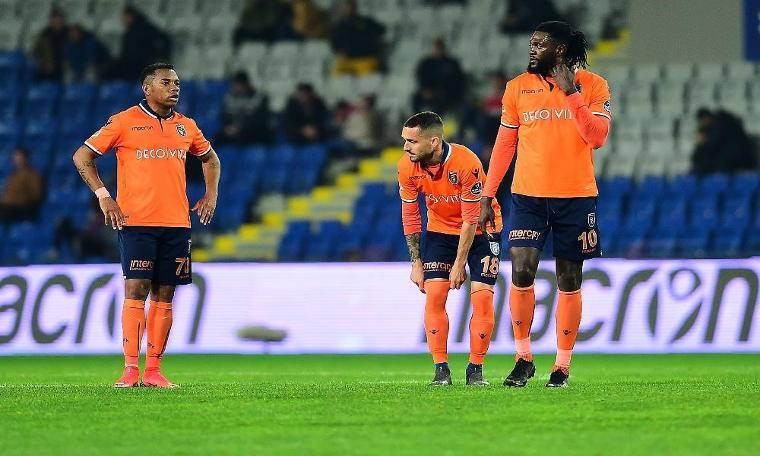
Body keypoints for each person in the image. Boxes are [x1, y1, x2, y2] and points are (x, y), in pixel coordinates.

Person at [479, 21, 611, 388]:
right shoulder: (517, 87)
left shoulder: (594, 85)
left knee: (569, 279)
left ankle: (561, 367)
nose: (532, 49)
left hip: (576, 196)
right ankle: (523, 358)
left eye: (540, 44)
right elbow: (505, 144)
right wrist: (488, 194)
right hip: (528, 196)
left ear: (561, 50)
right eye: (532, 43)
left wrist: (571, 94)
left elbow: (597, 138)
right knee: (522, 270)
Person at [72, 63, 221, 388]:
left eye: (177, 83)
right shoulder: (124, 121)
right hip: (136, 221)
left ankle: (153, 371)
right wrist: (104, 196)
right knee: (136, 288)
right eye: (166, 82)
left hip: (177, 223)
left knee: (165, 293)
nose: (174, 88)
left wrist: (211, 194)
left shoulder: (186, 126)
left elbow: (210, 158)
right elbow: (82, 156)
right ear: (147, 88)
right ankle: (130, 370)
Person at [398, 111, 503, 386]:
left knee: (482, 299)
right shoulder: (407, 166)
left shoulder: (466, 163)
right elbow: (410, 215)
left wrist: (459, 264)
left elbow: (471, 219)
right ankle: (441, 370)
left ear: (434, 142)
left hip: (482, 229)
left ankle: (475, 370)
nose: (406, 147)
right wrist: (416, 262)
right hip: (440, 231)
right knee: (434, 294)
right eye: (405, 140)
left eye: (412, 141)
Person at [113, 6, 172, 81]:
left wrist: (162, 56)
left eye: (125, 17)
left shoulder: (144, 28)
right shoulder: (130, 31)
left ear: (131, 16)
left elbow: (164, 39)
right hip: (133, 64)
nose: (123, 20)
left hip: (141, 64)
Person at [330, 0, 385, 76]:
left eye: (352, 7)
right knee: (335, 74)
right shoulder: (340, 26)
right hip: (348, 60)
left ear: (356, 8)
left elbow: (381, 30)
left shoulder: (365, 22)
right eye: (347, 8)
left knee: (369, 77)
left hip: (365, 59)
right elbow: (334, 42)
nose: (349, 10)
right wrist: (339, 50)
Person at [216, 72, 273, 145]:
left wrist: (240, 128)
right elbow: (225, 115)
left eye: (237, 84)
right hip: (234, 130)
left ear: (245, 84)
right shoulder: (230, 97)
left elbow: (260, 119)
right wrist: (228, 127)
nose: (235, 87)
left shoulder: (259, 97)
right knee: (216, 139)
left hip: (252, 131)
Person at [413, 39, 466, 115]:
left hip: (446, 93)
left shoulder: (451, 63)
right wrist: (425, 90)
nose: (438, 51)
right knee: (416, 98)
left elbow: (457, 81)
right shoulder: (426, 63)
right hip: (429, 92)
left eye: (440, 48)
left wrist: (442, 91)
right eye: (437, 48)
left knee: (442, 103)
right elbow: (421, 77)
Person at [0, 148, 45, 223]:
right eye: (15, 156)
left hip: (20, 208)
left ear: (26, 158)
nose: (16, 159)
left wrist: (20, 198)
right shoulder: (13, 175)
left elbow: (36, 195)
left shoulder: (33, 175)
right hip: (8, 206)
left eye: (19, 156)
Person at [31, 8, 68, 81]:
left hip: (64, 67)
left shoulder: (69, 34)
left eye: (60, 20)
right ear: (51, 21)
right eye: (56, 20)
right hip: (48, 67)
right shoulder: (45, 34)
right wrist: (44, 62)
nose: (58, 22)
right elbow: (35, 52)